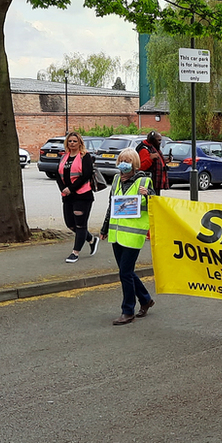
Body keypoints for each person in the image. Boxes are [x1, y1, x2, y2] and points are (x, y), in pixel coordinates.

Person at [99, 148, 155, 325]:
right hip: (116, 234)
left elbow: (156, 203)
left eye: (128, 160)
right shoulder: (116, 179)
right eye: (122, 160)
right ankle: (145, 299)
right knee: (127, 272)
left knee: (124, 272)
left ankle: (127, 311)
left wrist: (150, 195)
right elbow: (111, 205)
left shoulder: (145, 180)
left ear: (135, 163)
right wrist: (104, 228)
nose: (124, 163)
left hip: (133, 234)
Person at [55, 132, 101, 263]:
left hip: (82, 195)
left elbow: (86, 175)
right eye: (70, 141)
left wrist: (71, 188)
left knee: (80, 225)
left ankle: (75, 252)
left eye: (75, 141)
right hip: (67, 196)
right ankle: (91, 239)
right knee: (70, 224)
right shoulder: (64, 157)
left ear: (80, 142)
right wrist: (63, 188)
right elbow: (58, 174)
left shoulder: (85, 156)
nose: (72, 143)